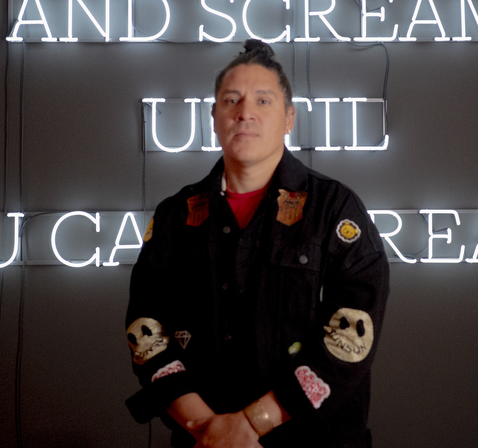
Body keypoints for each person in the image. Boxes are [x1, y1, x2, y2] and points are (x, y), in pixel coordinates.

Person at [125, 40, 390, 448]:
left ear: (289, 119)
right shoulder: (176, 216)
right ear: (214, 117)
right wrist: (204, 427)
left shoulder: (334, 209)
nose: (244, 112)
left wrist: (251, 424)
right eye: (231, 100)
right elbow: (147, 331)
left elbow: (351, 338)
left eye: (263, 101)